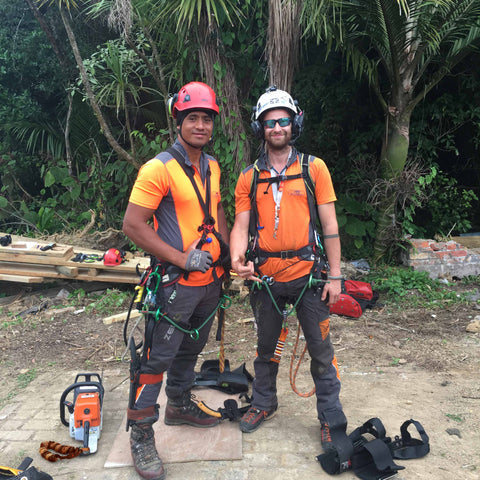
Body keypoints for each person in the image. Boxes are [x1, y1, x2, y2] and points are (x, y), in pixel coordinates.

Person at [122, 81, 229, 480]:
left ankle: (179, 404)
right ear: (178, 121)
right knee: (155, 360)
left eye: (206, 118)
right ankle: (141, 433)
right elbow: (133, 224)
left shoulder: (212, 166)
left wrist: (227, 258)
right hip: (174, 283)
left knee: (192, 347)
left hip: (210, 281)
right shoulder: (158, 168)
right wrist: (183, 258)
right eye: (193, 118)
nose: (200, 125)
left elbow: (215, 215)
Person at [230, 86, 346, 450]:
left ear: (294, 123)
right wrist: (237, 258)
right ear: (259, 128)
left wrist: (337, 276)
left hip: (310, 276)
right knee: (266, 349)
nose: (276, 127)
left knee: (321, 351)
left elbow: (330, 226)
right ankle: (264, 402)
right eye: (269, 122)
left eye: (283, 120)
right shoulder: (249, 177)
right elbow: (240, 225)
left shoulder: (314, 168)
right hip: (266, 279)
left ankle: (331, 417)